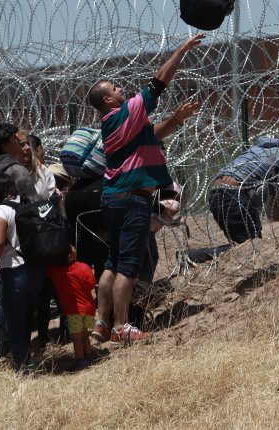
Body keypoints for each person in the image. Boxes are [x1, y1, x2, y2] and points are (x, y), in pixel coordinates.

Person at [86, 32, 204, 345]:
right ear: (109, 100)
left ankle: (101, 323)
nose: (121, 88)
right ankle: (122, 326)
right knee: (129, 265)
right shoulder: (121, 114)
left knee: (112, 262)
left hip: (114, 198)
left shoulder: (124, 124)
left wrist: (176, 119)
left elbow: (156, 132)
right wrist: (180, 50)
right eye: (115, 88)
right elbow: (158, 83)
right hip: (132, 200)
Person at [208, 127, 279, 246]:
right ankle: (194, 256)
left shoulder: (259, 148)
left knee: (245, 245)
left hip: (217, 194)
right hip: (234, 196)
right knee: (249, 249)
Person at [0, 173, 45, 371]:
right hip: (36, 270)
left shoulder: (0, 209)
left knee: (13, 323)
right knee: (20, 315)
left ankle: (23, 366)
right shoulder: (27, 204)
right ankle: (28, 357)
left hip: (14, 272)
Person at [46, 246, 97, 370]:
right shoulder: (84, 267)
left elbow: (46, 270)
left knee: (76, 338)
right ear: (71, 255)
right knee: (85, 335)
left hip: (74, 312)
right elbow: (92, 284)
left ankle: (80, 360)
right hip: (89, 309)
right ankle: (89, 355)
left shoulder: (57, 272)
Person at [0, 123, 39, 204]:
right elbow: (33, 202)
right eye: (14, 138)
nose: (18, 140)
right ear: (5, 145)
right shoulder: (17, 171)